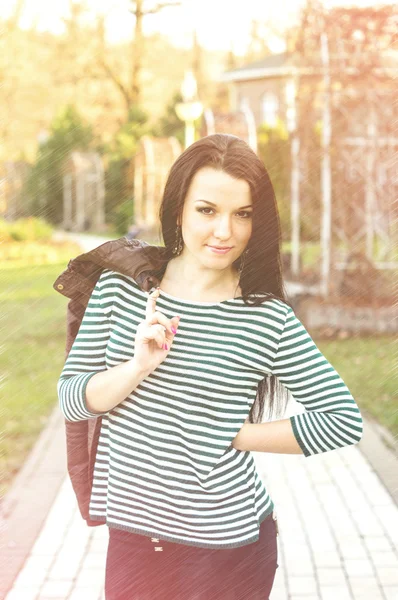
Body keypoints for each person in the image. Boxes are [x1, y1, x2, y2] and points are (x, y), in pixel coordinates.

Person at [57, 134, 363, 599]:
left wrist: (234, 435)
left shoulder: (266, 317)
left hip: (227, 549)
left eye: (242, 214)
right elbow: (72, 399)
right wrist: (137, 366)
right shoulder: (120, 290)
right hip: (133, 540)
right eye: (207, 210)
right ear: (178, 208)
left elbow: (342, 421)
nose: (225, 231)